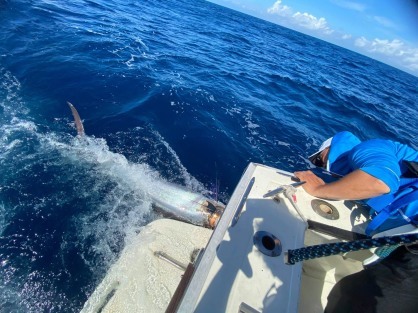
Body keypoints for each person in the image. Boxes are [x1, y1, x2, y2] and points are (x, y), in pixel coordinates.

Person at [294, 131, 418, 313]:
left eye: (319, 160)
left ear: (330, 149)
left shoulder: (367, 148)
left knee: (350, 298)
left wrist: (320, 188)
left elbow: (380, 181)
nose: (320, 167)